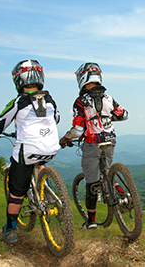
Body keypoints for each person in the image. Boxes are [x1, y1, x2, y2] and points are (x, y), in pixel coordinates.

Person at [0, 60, 60, 243]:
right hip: (51, 148)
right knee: (39, 161)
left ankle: (10, 229)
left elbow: (0, 124)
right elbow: (57, 118)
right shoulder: (49, 99)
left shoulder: (18, 101)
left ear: (19, 80)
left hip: (27, 151)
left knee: (16, 192)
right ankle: (44, 190)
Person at [59, 62, 128, 230]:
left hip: (92, 143)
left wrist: (66, 138)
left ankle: (91, 221)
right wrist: (108, 119)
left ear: (82, 78)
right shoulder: (108, 98)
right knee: (107, 171)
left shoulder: (80, 101)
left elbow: (78, 129)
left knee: (92, 181)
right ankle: (123, 194)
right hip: (110, 140)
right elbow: (124, 115)